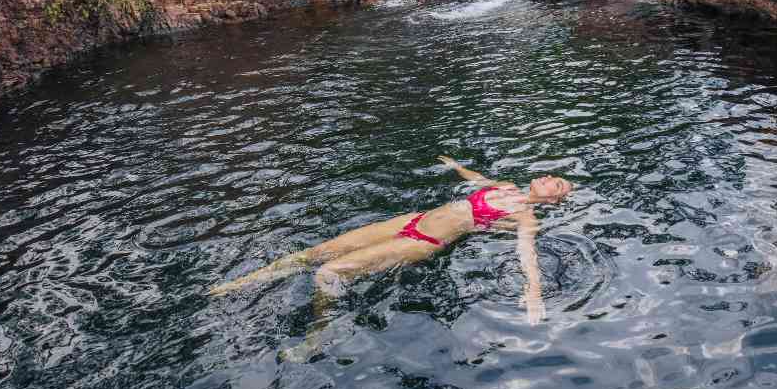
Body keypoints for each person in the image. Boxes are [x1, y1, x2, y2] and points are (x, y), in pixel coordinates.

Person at [209, 156, 574, 323]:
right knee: (316, 252)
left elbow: (525, 252)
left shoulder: (526, 217)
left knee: (328, 273)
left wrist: (534, 293)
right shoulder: (506, 186)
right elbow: (478, 180)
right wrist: (455, 167)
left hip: (425, 241)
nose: (547, 178)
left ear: (554, 200)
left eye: (556, 184)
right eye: (551, 175)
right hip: (411, 220)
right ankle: (244, 282)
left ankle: (318, 334)